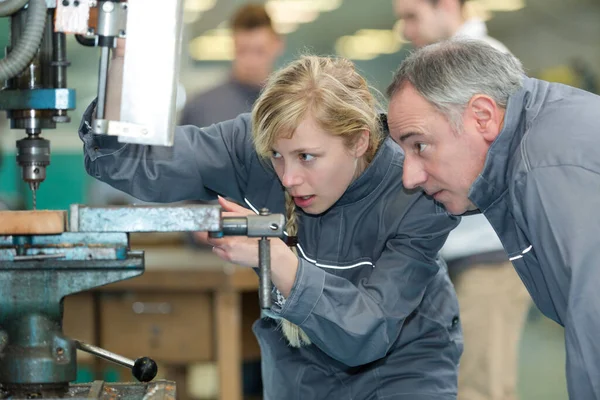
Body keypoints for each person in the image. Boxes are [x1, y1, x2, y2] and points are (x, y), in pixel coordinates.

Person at [80, 55, 464, 399]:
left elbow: (366, 332)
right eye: (277, 156)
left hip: (402, 369)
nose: (289, 177)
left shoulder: (415, 191)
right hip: (297, 368)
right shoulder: (252, 150)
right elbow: (131, 163)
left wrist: (280, 262)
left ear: (359, 141)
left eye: (307, 157)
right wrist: (119, 81)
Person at [386, 38, 600, 400]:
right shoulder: (541, 129)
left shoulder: (544, 168)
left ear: (482, 116)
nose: (410, 176)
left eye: (419, 145)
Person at [393, 1, 530, 399]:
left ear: (448, 6)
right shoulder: (437, 71)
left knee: (481, 388)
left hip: (490, 257)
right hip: (451, 257)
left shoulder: (486, 64)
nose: (405, 29)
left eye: (412, 16)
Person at [179, 3, 283, 127]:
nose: (251, 61)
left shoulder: (292, 105)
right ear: (231, 45)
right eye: (242, 51)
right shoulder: (200, 108)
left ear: (277, 45)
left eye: (259, 51)